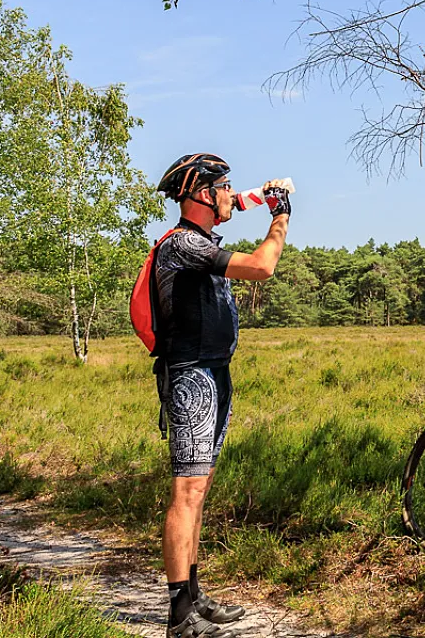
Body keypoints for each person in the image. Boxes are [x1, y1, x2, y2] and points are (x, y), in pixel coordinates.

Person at [147, 152, 291, 638]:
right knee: (186, 491)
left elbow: (238, 207)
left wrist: (258, 198)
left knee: (199, 489)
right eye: (225, 186)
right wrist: (280, 217)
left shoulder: (201, 240)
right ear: (203, 194)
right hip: (191, 375)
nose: (232, 193)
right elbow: (260, 267)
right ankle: (178, 614)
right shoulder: (184, 245)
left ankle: (193, 594)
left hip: (215, 372)